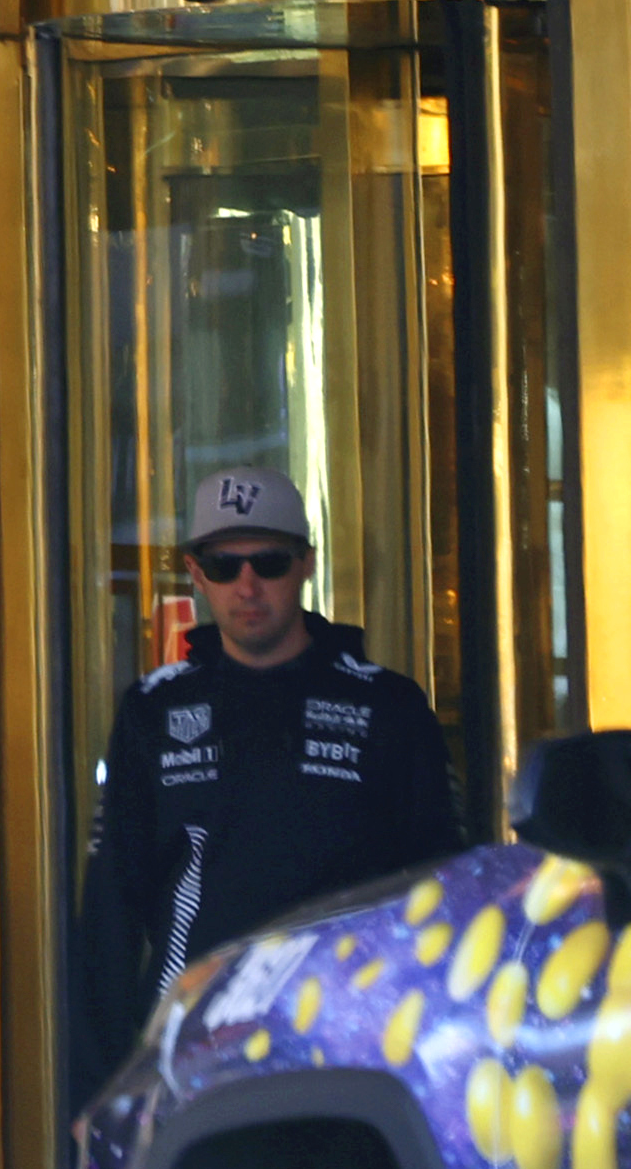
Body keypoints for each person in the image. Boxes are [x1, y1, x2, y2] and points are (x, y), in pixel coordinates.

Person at [67, 466, 466, 1105]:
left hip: (347, 1045)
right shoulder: (153, 711)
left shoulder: (389, 707)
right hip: (190, 1055)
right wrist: (96, 1093)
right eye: (224, 567)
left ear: (306, 565)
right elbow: (111, 912)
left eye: (270, 563)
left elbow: (438, 891)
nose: (247, 585)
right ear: (196, 574)